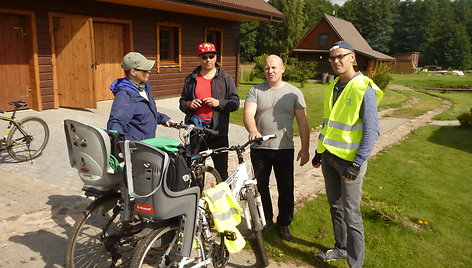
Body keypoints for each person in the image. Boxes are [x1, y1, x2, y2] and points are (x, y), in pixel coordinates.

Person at [312, 41, 383, 267]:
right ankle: (341, 248)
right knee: (335, 206)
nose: (336, 61)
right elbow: (329, 125)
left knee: (351, 213)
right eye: (332, 58)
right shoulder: (332, 87)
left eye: (341, 56)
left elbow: (372, 132)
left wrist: (358, 162)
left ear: (352, 57)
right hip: (330, 157)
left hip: (351, 162)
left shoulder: (364, 88)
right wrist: (319, 152)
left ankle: (355, 264)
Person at [243, 54, 310, 241]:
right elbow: (248, 113)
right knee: (261, 188)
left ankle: (284, 223)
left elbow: (303, 121)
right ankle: (266, 222)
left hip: (284, 148)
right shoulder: (255, 91)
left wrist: (305, 149)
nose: (270, 71)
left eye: (274, 67)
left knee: (286, 189)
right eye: (266, 68)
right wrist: (253, 129)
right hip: (259, 149)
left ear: (282, 69)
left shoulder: (294, 93)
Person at [179, 43, 239, 180]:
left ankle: (221, 200)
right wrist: (189, 104)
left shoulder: (225, 78)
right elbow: (182, 103)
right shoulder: (191, 79)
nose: (208, 60)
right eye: (204, 57)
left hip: (218, 131)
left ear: (216, 57)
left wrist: (219, 103)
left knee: (222, 171)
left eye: (211, 56)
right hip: (197, 131)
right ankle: (198, 200)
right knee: (196, 171)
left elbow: (235, 103)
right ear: (199, 58)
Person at [107, 52, 173, 141]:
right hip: (136, 149)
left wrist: (163, 119)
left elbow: (144, 113)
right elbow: (115, 123)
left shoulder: (143, 88)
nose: (149, 71)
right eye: (145, 70)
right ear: (133, 72)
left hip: (147, 144)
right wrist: (120, 147)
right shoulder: (124, 95)